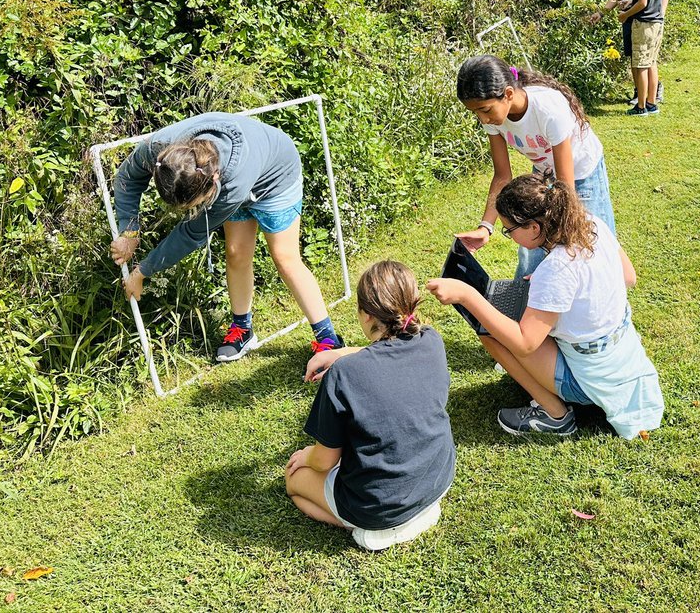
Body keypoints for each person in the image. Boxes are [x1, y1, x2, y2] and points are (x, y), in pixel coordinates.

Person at [427, 173, 664, 440]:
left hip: (589, 383)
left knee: (490, 332)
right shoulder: (591, 225)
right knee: (508, 320)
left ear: (534, 228)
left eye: (509, 230)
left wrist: (468, 295)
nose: (510, 236)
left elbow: (525, 344)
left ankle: (555, 416)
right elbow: (628, 276)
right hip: (621, 360)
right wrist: (560, 294)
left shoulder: (556, 270)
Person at [109, 112, 342, 364]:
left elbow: (190, 234)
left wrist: (141, 271)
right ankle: (243, 330)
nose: (189, 213)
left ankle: (328, 339)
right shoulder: (160, 150)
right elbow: (128, 177)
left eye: (194, 206)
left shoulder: (231, 188)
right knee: (235, 253)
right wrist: (129, 231)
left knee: (285, 258)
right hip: (239, 170)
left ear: (212, 184)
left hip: (276, 175)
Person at [286, 261, 455, 551]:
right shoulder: (431, 339)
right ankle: (403, 518)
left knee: (294, 482)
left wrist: (306, 456)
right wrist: (343, 353)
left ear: (365, 315)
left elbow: (324, 461)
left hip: (376, 505)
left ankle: (370, 528)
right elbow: (390, 352)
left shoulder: (344, 375)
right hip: (438, 479)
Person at [455, 54, 615, 279]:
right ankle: (526, 301)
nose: (483, 119)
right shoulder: (493, 119)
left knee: (590, 247)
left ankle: (614, 311)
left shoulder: (548, 109)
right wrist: (485, 227)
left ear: (508, 94)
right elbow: (502, 176)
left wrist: (553, 265)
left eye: (485, 110)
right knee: (531, 242)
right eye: (476, 113)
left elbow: (565, 188)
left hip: (581, 173)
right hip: (545, 175)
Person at [599, 0, 668, 115]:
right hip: (654, 23)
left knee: (640, 65)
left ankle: (641, 106)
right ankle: (651, 103)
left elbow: (642, 3)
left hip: (642, 23)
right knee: (650, 61)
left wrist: (625, 15)